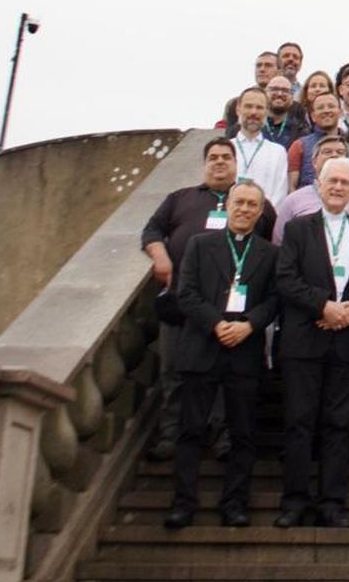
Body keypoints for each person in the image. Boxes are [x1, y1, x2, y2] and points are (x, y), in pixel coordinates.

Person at [141, 138, 277, 461]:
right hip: (184, 303)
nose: (219, 162)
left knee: (229, 378)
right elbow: (151, 231)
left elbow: (267, 247)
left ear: (236, 163)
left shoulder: (256, 203)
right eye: (213, 157)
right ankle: (172, 434)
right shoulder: (181, 198)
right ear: (204, 164)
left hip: (233, 313)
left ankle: (222, 436)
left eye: (226, 157)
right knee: (175, 372)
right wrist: (160, 257)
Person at [274, 157, 349, 528]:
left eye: (345, 182)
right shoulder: (297, 229)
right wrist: (323, 306)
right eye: (332, 181)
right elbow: (286, 279)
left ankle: (332, 502)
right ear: (318, 186)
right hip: (305, 340)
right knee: (299, 422)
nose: (338, 188)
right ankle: (294, 501)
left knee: (339, 424)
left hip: (348, 340)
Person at [164, 180, 279, 530]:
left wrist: (249, 325)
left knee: (243, 433)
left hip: (244, 351)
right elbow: (187, 293)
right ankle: (184, 503)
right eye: (239, 202)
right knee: (191, 431)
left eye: (252, 205)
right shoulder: (200, 245)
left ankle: (235, 502)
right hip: (202, 347)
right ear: (227, 205)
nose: (244, 209)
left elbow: (274, 299)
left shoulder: (269, 253)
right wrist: (216, 324)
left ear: (260, 212)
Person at [274, 135, 349, 239]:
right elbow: (279, 242)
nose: (334, 155)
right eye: (327, 152)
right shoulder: (293, 200)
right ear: (314, 162)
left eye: (340, 152)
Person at [228, 87, 290, 204]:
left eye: (259, 107)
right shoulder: (227, 148)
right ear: (238, 109)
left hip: (265, 219)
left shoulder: (278, 152)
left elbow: (280, 193)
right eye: (249, 106)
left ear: (266, 112)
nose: (254, 112)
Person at [288, 90, 344, 188]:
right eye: (320, 108)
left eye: (331, 106)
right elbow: (291, 186)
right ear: (313, 116)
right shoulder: (299, 145)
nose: (326, 110)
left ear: (340, 112)